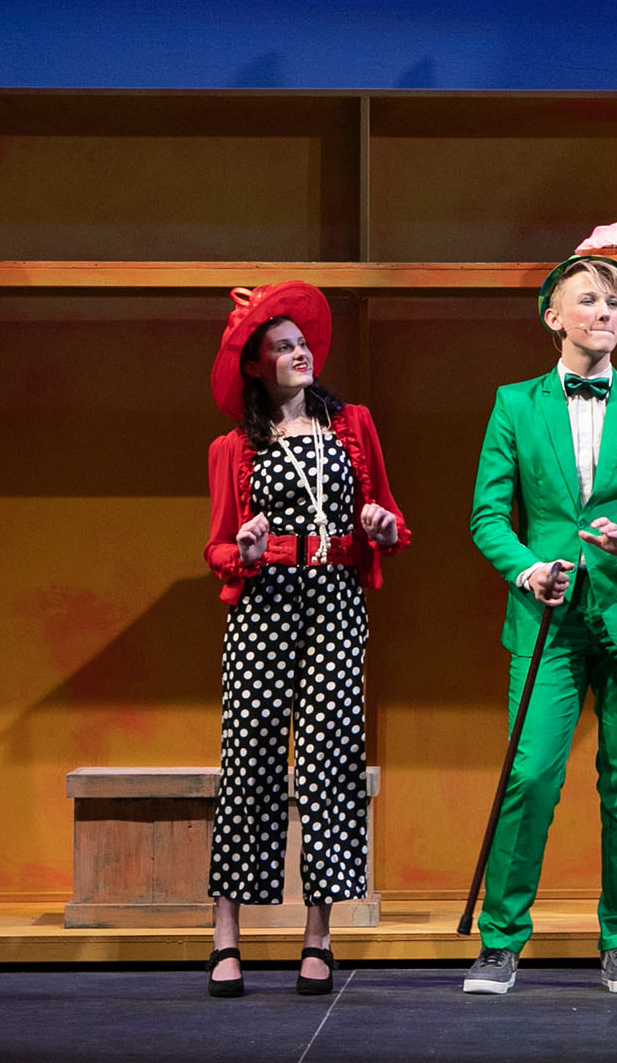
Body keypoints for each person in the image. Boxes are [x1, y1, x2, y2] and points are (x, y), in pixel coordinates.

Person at [464, 255, 617, 996]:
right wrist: (528, 569)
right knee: (529, 775)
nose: (604, 312)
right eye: (588, 300)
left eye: (614, 302)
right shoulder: (514, 405)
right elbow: (488, 516)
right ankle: (501, 940)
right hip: (547, 618)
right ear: (554, 317)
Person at [202, 280, 410, 997]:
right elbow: (217, 547)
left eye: (301, 344)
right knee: (249, 759)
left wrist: (381, 527)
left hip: (335, 602)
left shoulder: (352, 424)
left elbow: (391, 518)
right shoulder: (232, 447)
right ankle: (225, 936)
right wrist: (245, 551)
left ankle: (318, 937)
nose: (299, 354)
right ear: (255, 366)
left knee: (330, 762)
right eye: (282, 347)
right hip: (263, 606)